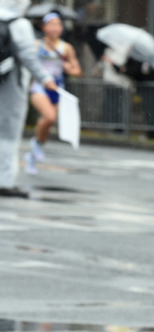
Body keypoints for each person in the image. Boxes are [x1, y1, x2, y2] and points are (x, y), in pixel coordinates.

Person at [0, 0, 55, 197]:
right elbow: (28, 57)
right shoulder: (19, 24)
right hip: (11, 86)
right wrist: (45, 78)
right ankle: (5, 181)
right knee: (8, 135)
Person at [23, 11, 80, 175]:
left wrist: (68, 68)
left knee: (48, 124)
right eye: (52, 24)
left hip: (57, 89)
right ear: (44, 27)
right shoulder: (36, 45)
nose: (55, 28)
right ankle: (36, 145)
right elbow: (27, 63)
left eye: (58, 24)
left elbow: (77, 70)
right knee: (49, 116)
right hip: (40, 87)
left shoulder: (66, 48)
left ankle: (32, 155)